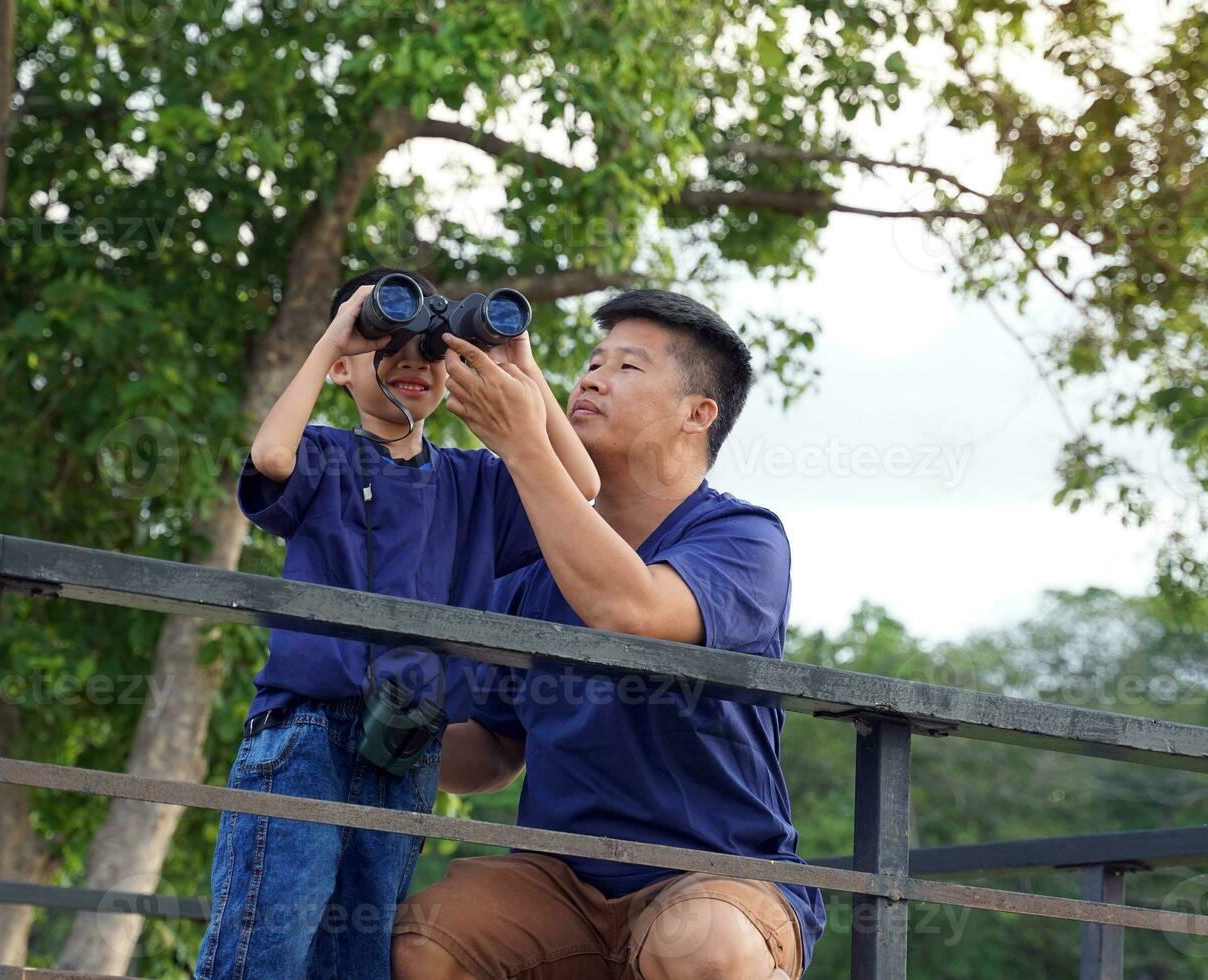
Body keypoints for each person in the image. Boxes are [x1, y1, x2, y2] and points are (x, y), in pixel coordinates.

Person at [391, 289, 826, 979]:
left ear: (697, 414)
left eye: (627, 367)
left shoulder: (742, 539)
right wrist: (375, 723)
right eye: (592, 363)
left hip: (714, 873)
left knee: (703, 949)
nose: (591, 378)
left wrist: (526, 448)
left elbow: (632, 612)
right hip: (558, 882)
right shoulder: (531, 564)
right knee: (424, 945)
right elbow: (496, 749)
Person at [194, 267, 599, 980]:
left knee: (358, 956)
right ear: (345, 369)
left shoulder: (474, 483)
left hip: (408, 747)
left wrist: (518, 363)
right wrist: (335, 339)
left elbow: (583, 485)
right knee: (268, 945)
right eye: (388, 350)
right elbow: (270, 457)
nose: (414, 365)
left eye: (431, 353)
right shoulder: (324, 457)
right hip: (307, 733)